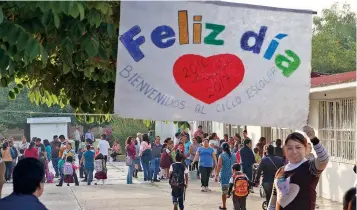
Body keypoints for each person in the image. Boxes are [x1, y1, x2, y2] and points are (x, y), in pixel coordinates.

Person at [268, 125, 329, 210]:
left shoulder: (310, 167)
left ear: (306, 148)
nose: (294, 151)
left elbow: (324, 159)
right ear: (285, 150)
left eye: (298, 147)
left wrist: (313, 138)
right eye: (289, 148)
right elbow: (274, 199)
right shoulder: (280, 171)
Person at [215, 143, 237, 210]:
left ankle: (224, 206)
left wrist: (216, 175)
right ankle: (235, 206)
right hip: (233, 176)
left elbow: (219, 166)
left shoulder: (221, 155)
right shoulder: (234, 155)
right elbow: (236, 165)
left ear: (222, 148)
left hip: (224, 176)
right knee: (234, 192)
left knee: (224, 192)